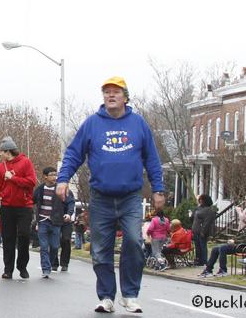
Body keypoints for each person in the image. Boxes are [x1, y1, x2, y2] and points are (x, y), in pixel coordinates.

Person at [55, 76, 166, 314]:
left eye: (115, 91)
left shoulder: (138, 124)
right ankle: (106, 296)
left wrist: (158, 188)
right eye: (106, 92)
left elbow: (152, 159)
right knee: (100, 249)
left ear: (125, 97)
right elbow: (74, 154)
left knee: (135, 242)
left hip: (130, 197)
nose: (110, 95)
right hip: (101, 197)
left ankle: (130, 294)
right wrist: (63, 179)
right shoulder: (92, 124)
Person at [0, 136, 37, 280]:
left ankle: (22, 266)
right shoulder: (1, 166)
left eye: (2, 151)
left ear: (8, 151)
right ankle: (8, 269)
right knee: (8, 238)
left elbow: (31, 182)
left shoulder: (25, 162)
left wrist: (13, 178)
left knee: (24, 235)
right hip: (7, 207)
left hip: (24, 207)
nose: (0, 154)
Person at [33, 166, 68, 279]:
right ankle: (46, 269)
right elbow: (31, 200)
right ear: (45, 176)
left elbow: (69, 201)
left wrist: (68, 213)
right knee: (43, 246)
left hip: (55, 222)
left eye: (55, 174)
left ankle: (51, 262)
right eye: (52, 174)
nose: (54, 177)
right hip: (43, 221)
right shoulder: (40, 189)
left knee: (54, 246)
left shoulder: (60, 189)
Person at [198, 213, 246, 277]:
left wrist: (234, 241)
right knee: (215, 249)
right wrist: (232, 240)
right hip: (238, 245)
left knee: (223, 248)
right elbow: (238, 237)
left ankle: (223, 270)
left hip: (243, 247)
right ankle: (208, 270)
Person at [190, 195, 216, 266]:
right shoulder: (198, 208)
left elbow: (207, 222)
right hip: (195, 230)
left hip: (201, 231)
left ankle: (204, 261)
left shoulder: (209, 210)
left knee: (202, 246)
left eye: (202, 199)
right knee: (197, 246)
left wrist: (203, 231)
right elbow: (193, 217)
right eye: (200, 199)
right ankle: (198, 259)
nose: (200, 201)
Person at [57, 185, 76, 272]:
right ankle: (53, 263)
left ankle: (64, 263)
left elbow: (71, 204)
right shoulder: (50, 189)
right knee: (53, 241)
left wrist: (69, 213)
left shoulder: (68, 192)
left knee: (66, 239)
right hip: (54, 219)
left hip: (66, 220)